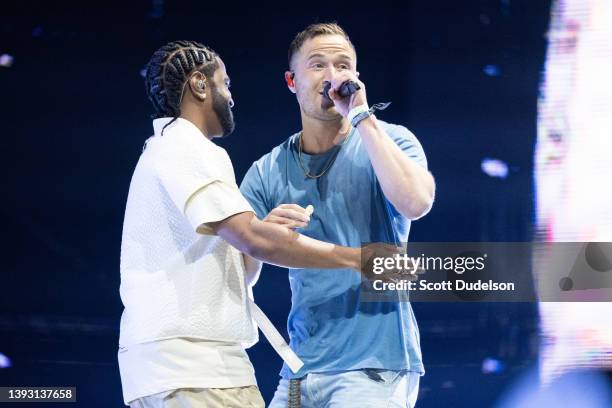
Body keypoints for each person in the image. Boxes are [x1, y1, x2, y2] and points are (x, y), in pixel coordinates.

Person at [118, 40, 388, 408]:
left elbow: (242, 263)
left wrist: (260, 232)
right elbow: (252, 240)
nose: (231, 96)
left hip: (174, 368)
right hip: (195, 369)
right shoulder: (186, 145)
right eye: (224, 83)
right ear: (199, 85)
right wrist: (360, 259)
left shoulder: (165, 149)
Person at [240, 23, 435, 407]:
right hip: (298, 370)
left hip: (374, 368)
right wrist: (262, 235)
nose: (332, 76)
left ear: (356, 78)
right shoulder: (266, 171)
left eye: (343, 65)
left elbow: (416, 202)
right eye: (317, 65)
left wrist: (363, 118)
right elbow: (241, 273)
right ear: (291, 81)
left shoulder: (389, 139)